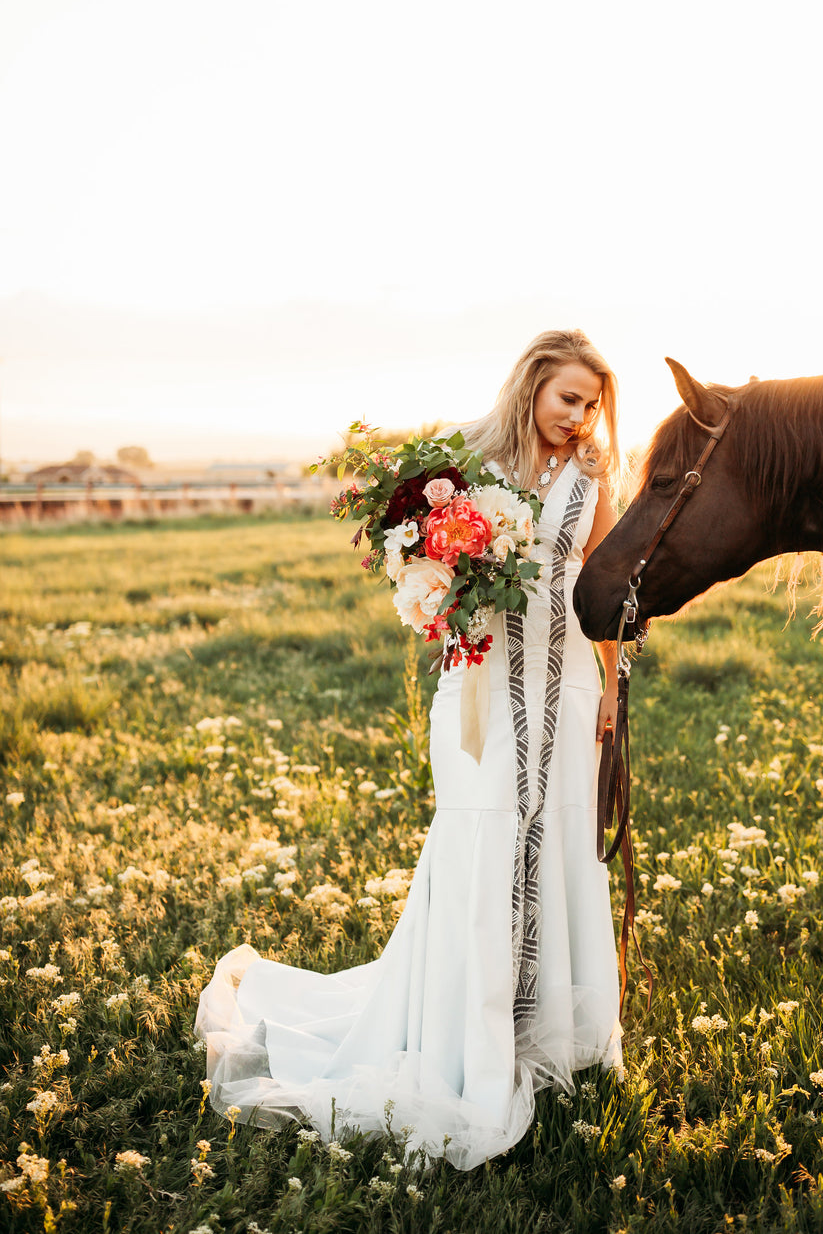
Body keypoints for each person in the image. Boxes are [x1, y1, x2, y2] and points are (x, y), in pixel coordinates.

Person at [195, 329, 624, 1170]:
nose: (579, 416)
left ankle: (552, 1030)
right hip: (481, 686)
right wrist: (442, 589)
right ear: (533, 385)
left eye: (592, 404)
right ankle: (467, 1033)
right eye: (568, 397)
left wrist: (613, 684)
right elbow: (419, 570)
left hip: (569, 681)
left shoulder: (594, 474)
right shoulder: (462, 466)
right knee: (484, 836)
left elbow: (607, 585)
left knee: (561, 836)